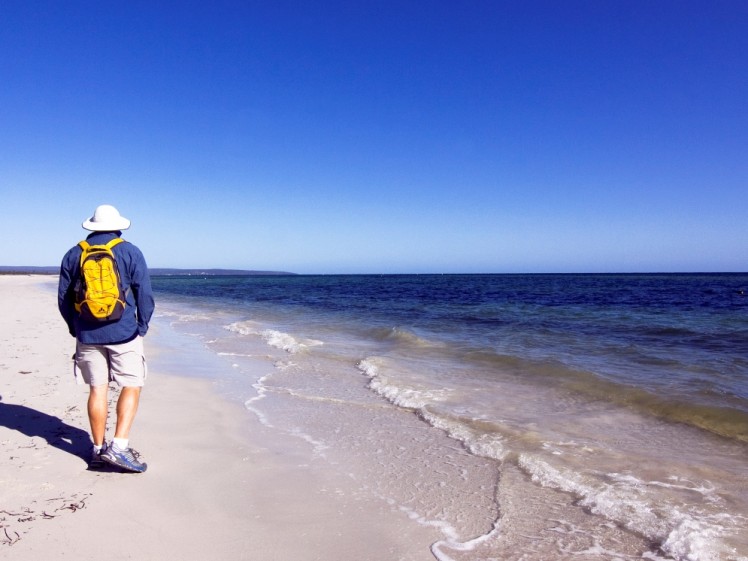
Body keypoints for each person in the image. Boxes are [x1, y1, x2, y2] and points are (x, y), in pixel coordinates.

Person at [58, 204, 155, 473]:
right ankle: (119, 448)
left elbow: (64, 299)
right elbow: (144, 294)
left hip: (87, 332)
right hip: (124, 332)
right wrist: (142, 326)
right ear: (118, 227)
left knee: (97, 389)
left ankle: (98, 450)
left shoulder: (73, 254)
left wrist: (74, 327)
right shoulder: (130, 251)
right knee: (132, 384)